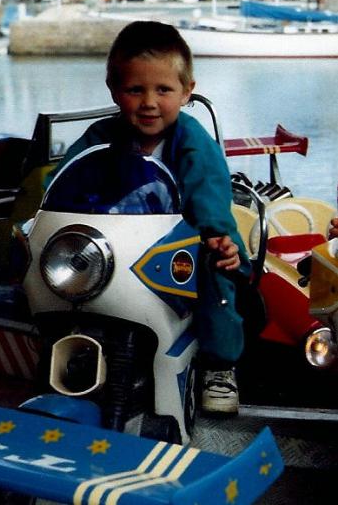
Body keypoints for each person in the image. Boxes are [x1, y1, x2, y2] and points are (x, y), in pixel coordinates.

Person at [47, 20, 250, 415]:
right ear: (114, 89)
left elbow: (209, 190)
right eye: (135, 90)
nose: (149, 102)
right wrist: (45, 214)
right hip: (116, 239)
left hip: (184, 240)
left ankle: (220, 365)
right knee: (65, 268)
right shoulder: (101, 137)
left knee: (216, 275)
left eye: (163, 90)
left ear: (187, 91)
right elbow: (66, 176)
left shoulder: (191, 141)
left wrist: (215, 233)